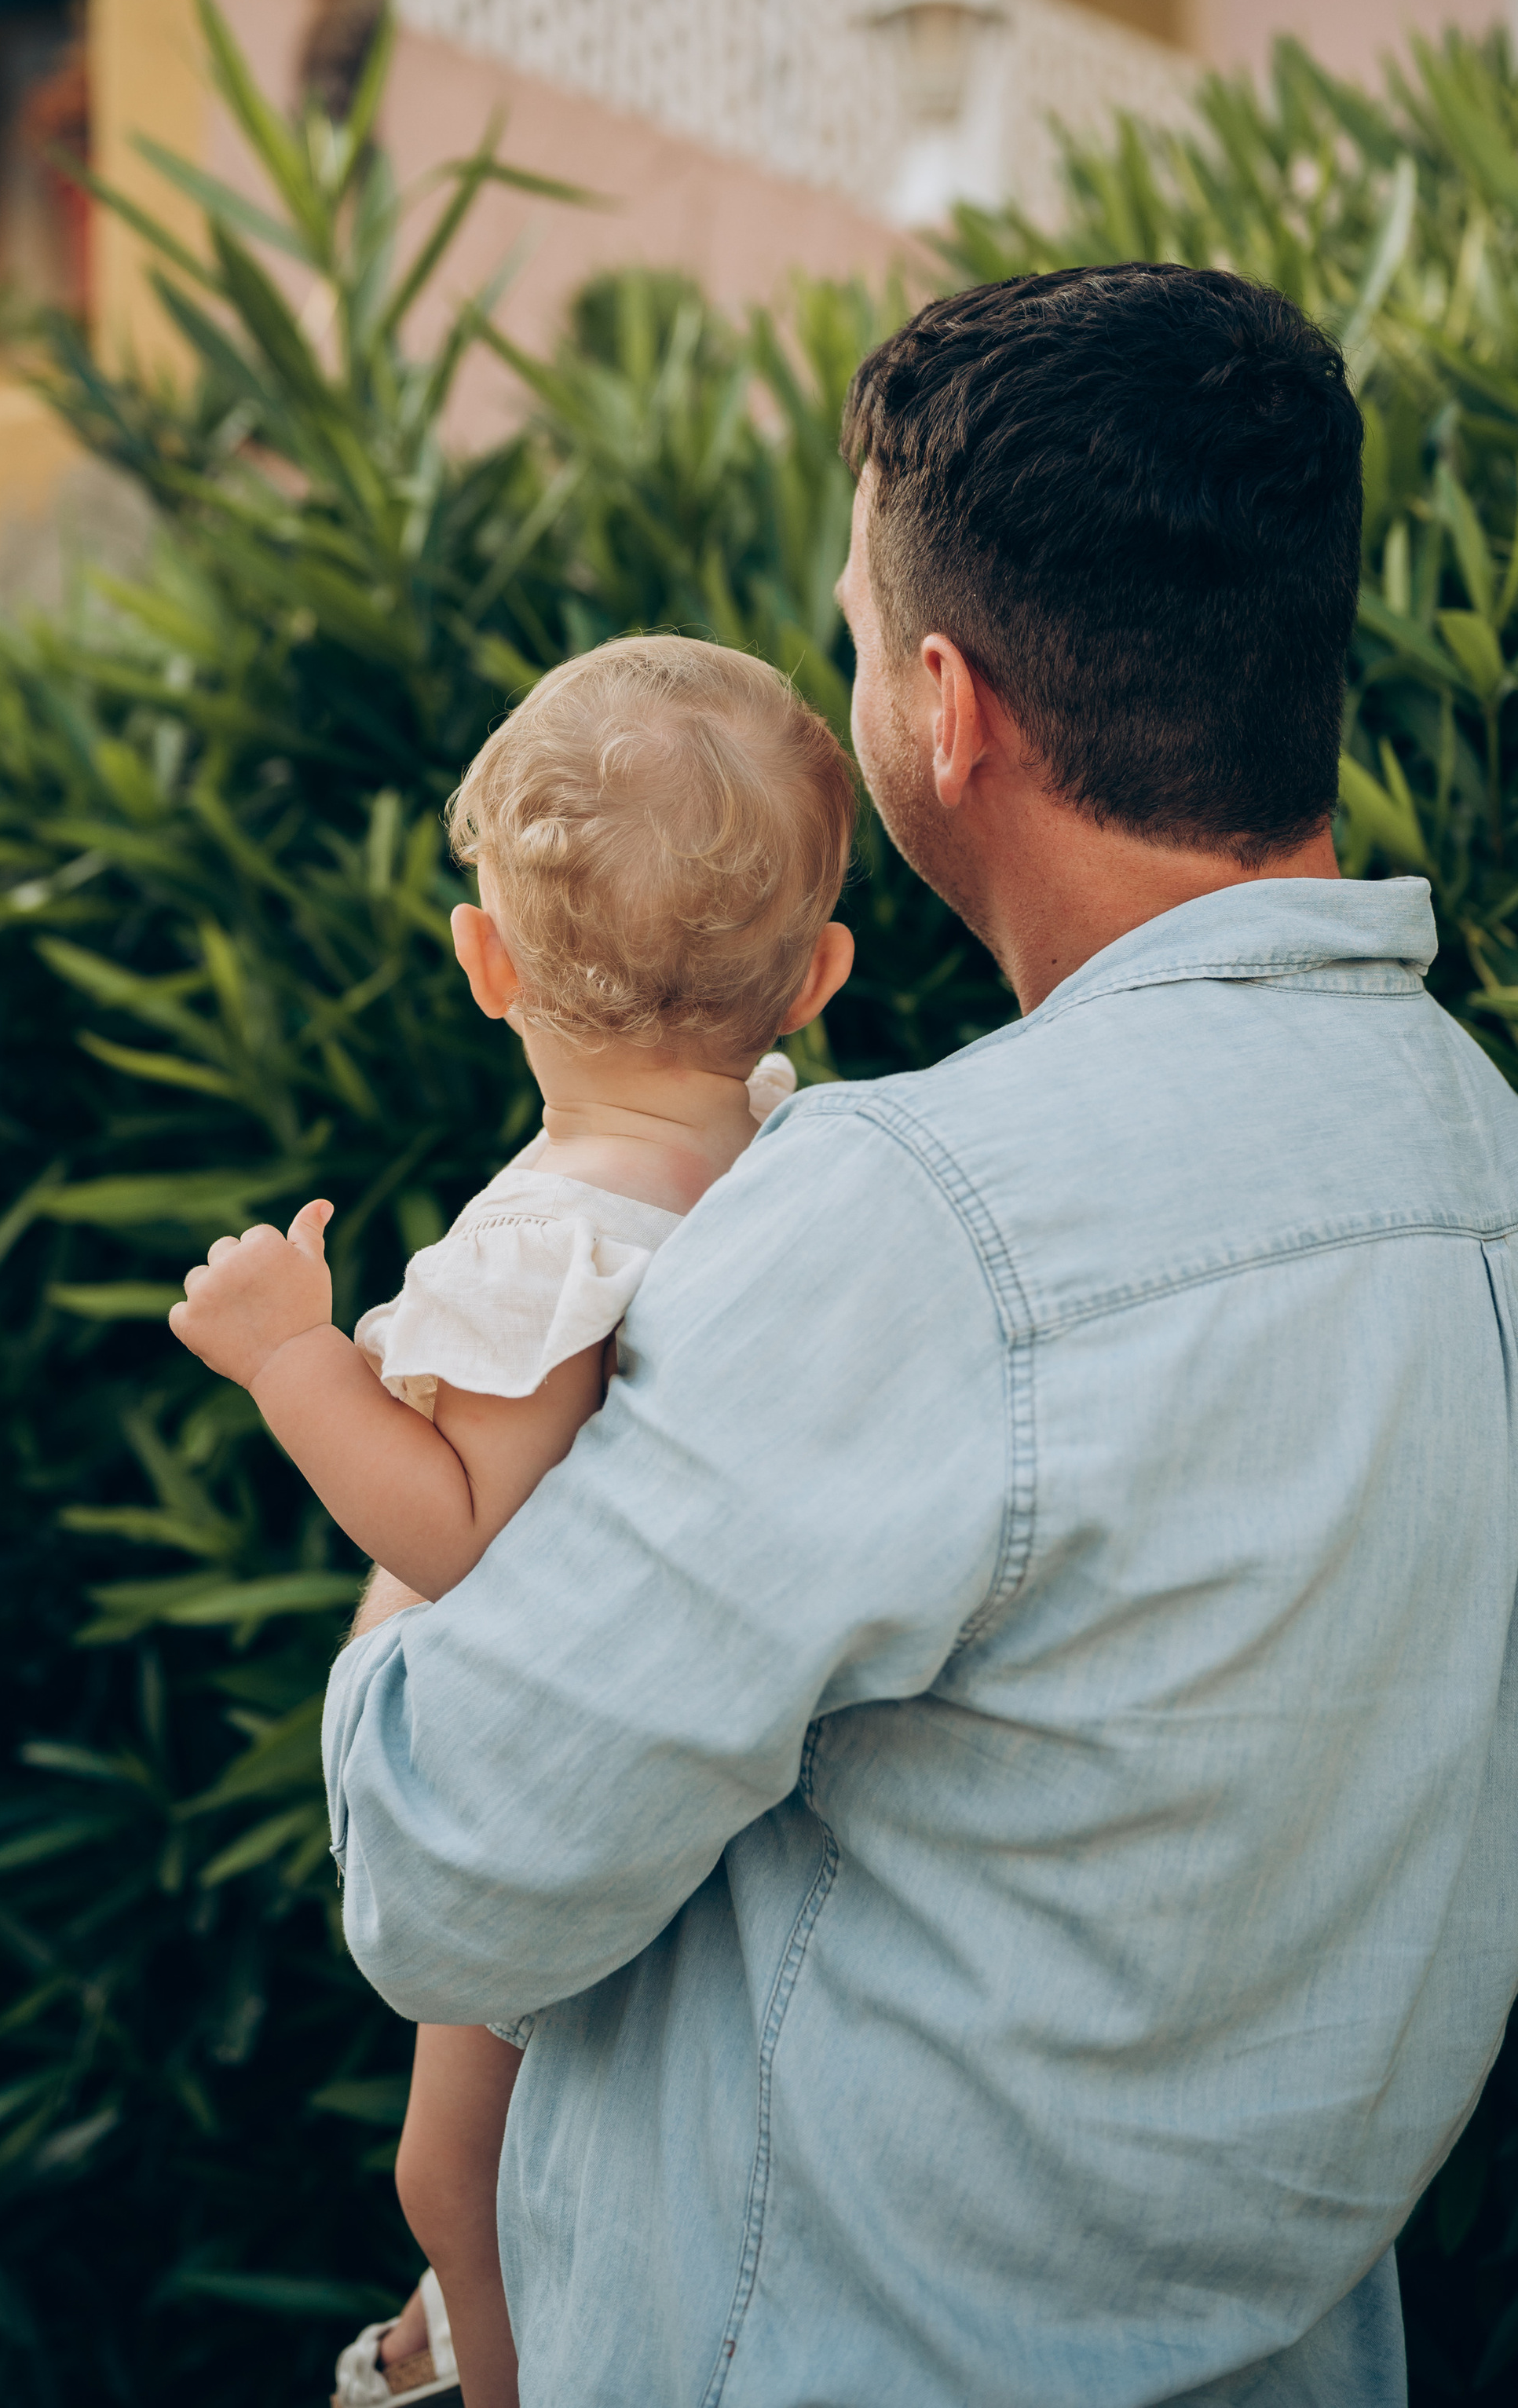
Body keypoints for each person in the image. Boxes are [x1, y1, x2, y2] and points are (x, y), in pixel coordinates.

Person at [320, 265, 1518, 2406]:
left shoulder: (921, 1219)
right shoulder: (1477, 1146)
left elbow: (451, 1867)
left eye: (860, 640)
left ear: (949, 713)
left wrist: (433, 1521)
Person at [168, 636, 857, 2408]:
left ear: (484, 960)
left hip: (520, 1769)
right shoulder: (793, 1168)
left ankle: (492, 2375)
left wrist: (290, 1359)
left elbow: (451, 1523)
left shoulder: (543, 1239)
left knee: (443, 2171)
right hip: (709, 1752)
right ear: (816, 976)